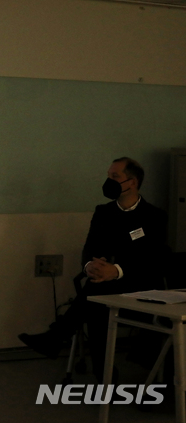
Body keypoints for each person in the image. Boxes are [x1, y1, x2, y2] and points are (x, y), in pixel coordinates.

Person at [19, 157, 170, 380]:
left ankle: (58, 337)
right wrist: (90, 265)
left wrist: (117, 270)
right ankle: (103, 374)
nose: (108, 181)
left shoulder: (154, 216)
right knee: (97, 298)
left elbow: (151, 259)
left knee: (95, 295)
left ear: (133, 182)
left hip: (139, 285)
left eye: (115, 177)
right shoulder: (103, 212)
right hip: (105, 284)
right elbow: (90, 247)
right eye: (108, 176)